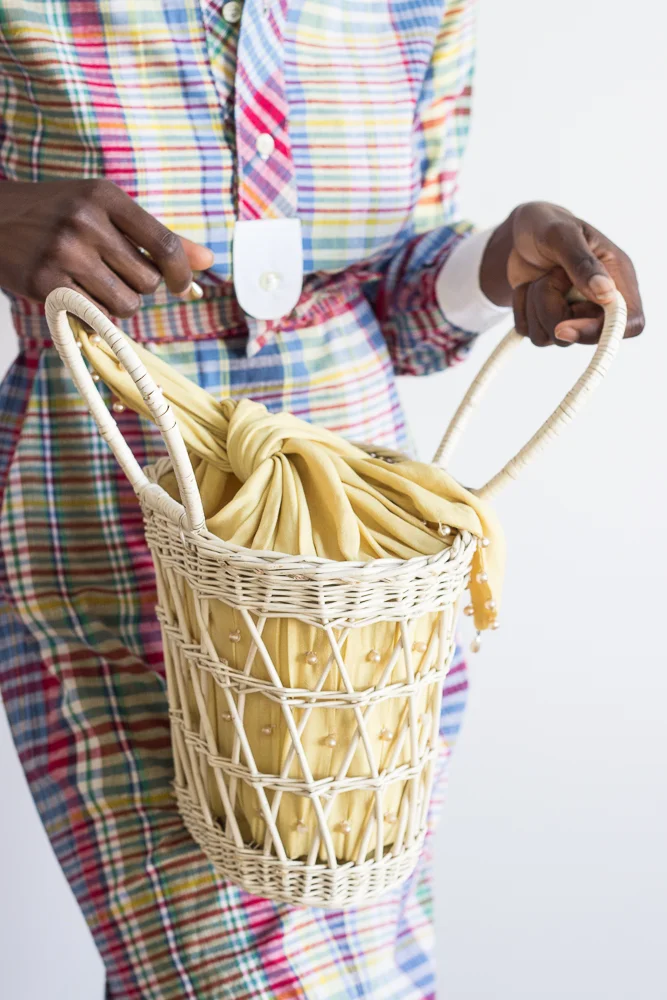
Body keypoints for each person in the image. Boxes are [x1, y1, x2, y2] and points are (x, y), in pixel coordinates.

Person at [0, 2, 643, 998]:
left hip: (368, 581)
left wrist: (498, 260)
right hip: (129, 541)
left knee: (372, 972)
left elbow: (398, 302)